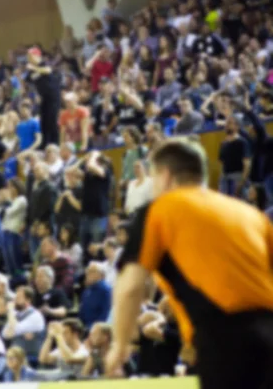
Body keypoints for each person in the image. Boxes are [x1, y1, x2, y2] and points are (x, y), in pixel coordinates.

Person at [107, 138, 273, 389]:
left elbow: (130, 286)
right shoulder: (250, 214)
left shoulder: (161, 209)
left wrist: (119, 346)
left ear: (165, 176)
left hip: (225, 338)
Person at [26, 47, 61, 148]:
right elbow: (30, 82)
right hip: (43, 97)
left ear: (37, 56)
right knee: (43, 121)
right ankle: (45, 145)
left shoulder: (44, 63)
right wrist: (35, 94)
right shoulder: (30, 70)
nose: (29, 58)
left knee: (52, 120)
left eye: (30, 56)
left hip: (53, 96)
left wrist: (35, 69)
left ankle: (55, 144)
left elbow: (48, 70)